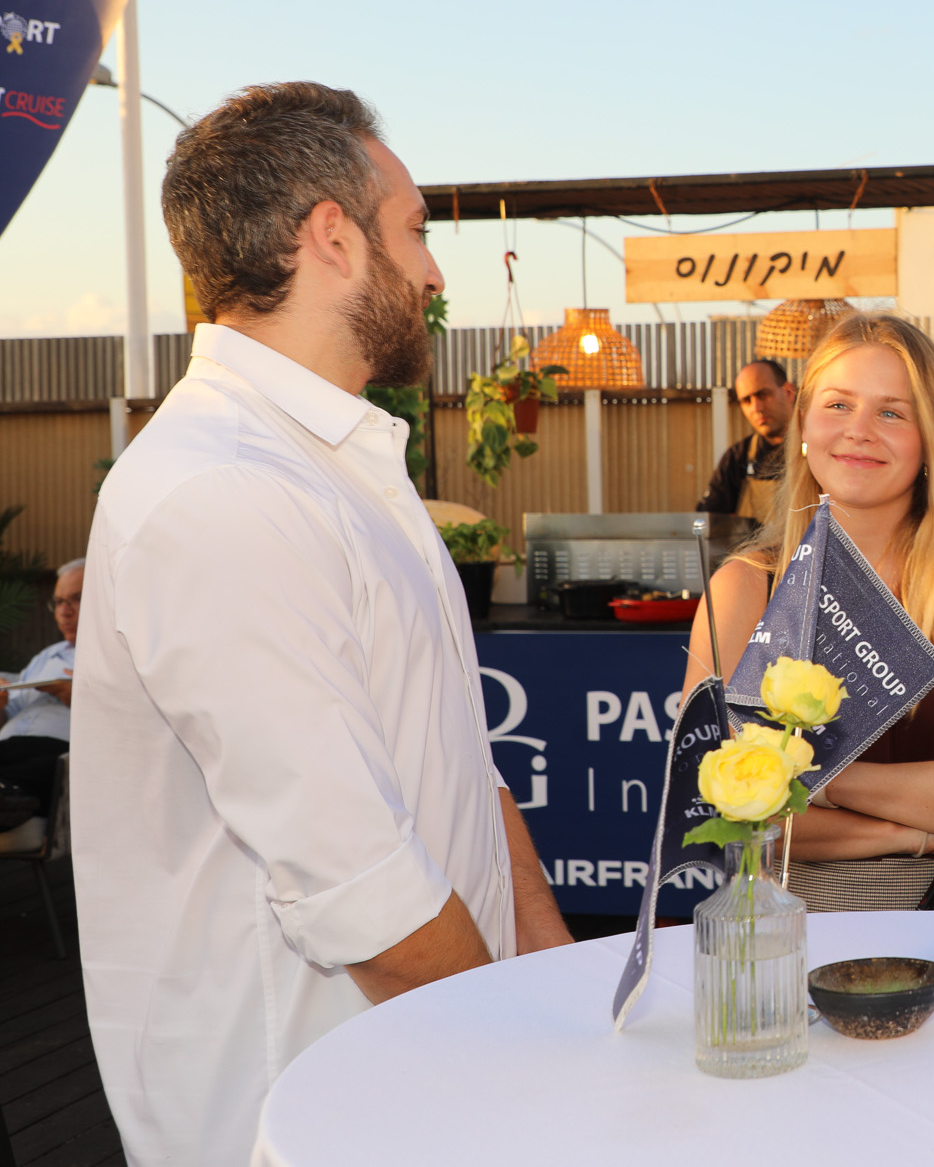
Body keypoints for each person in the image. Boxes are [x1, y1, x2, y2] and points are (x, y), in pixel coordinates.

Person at [72, 82, 572, 1167]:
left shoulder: (332, 471)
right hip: (308, 1112)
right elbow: (365, 893)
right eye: (416, 230)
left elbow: (457, 763)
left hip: (421, 1076)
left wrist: (555, 978)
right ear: (331, 238)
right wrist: (533, 1070)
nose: (435, 274)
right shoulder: (223, 491)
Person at [687, 313, 934, 911]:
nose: (859, 431)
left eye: (891, 412)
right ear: (803, 422)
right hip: (778, 934)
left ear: (930, 436)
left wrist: (807, 779)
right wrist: (922, 828)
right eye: (837, 405)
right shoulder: (744, 589)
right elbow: (721, 805)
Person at [0, 557, 84, 829]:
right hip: (9, 744)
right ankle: (7, 794)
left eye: (76, 599)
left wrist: (75, 694)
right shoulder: (47, 656)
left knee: (50, 767)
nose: (64, 611)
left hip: (62, 753)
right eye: (58, 602)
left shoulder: (117, 656)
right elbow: (9, 713)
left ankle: (8, 794)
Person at [696, 357, 796, 525]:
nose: (756, 408)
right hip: (755, 551)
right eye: (746, 400)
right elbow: (708, 520)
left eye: (763, 395)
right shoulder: (738, 457)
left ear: (788, 392)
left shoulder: (820, 448)